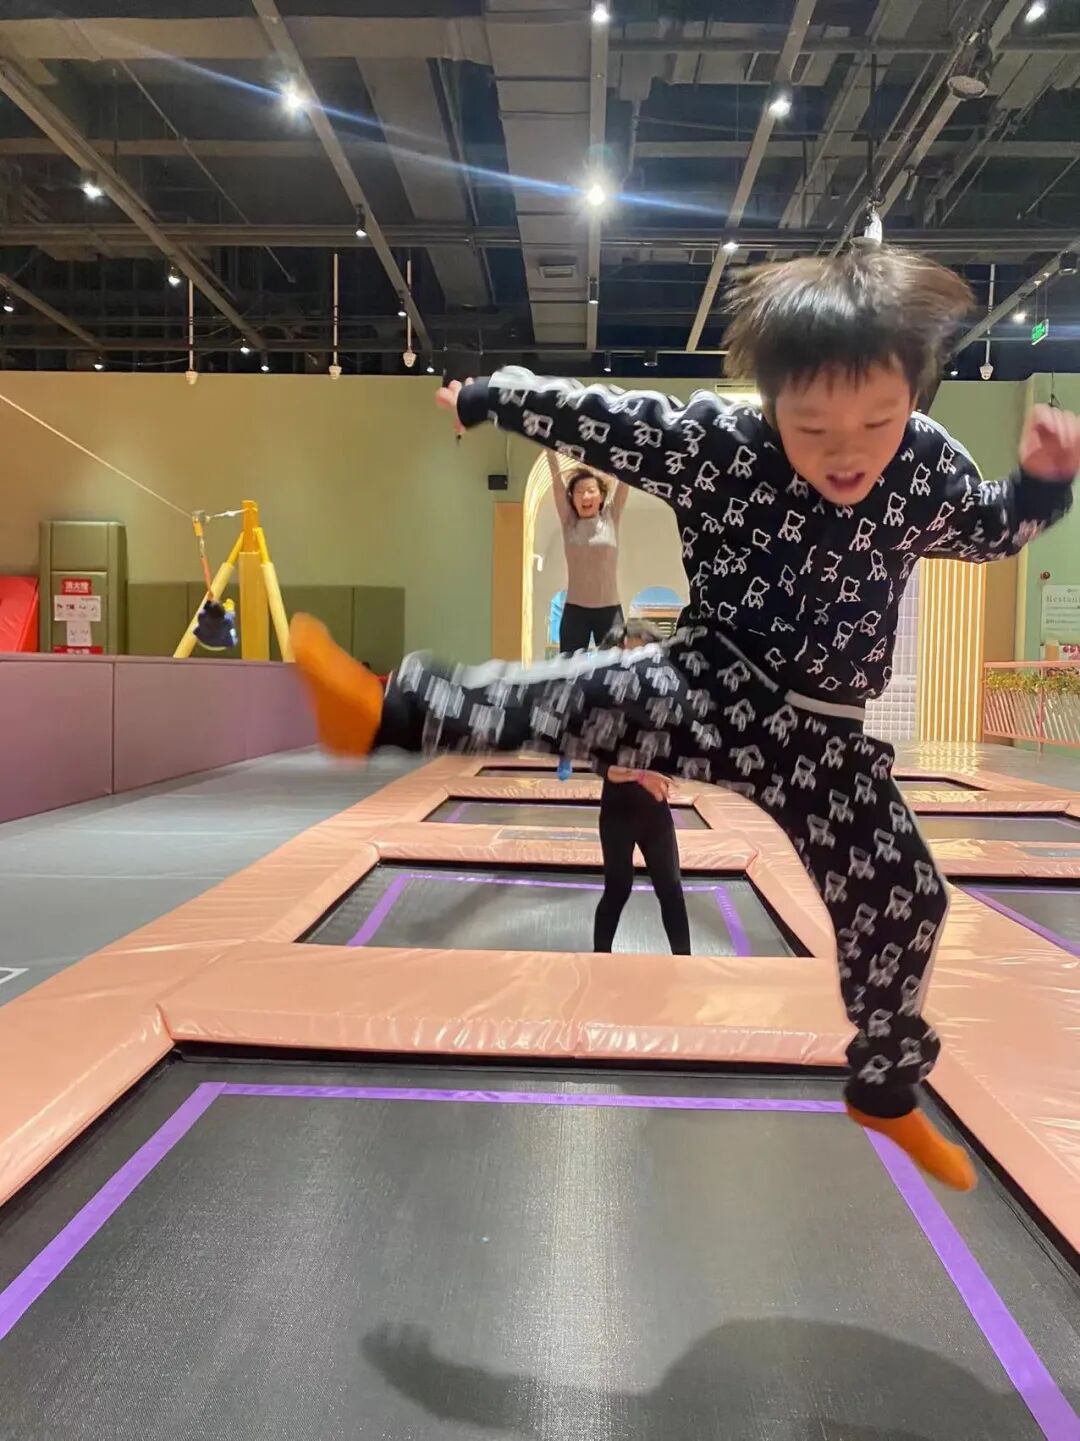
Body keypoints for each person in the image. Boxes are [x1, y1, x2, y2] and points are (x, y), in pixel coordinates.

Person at [291, 242, 1080, 1192]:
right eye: (813, 425)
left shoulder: (922, 467)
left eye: (877, 420)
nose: (847, 452)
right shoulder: (721, 447)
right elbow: (608, 418)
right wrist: (493, 396)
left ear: (913, 397)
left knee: (910, 893)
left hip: (826, 732)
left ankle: (884, 1083)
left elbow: (991, 528)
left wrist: (1042, 485)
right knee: (577, 699)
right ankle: (384, 708)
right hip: (715, 682)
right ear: (774, 402)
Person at [592, 620, 691, 957]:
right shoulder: (604, 709)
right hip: (618, 815)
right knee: (618, 889)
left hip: (655, 816)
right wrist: (641, 776)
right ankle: (600, 959)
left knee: (671, 891)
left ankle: (686, 963)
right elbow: (605, 768)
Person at [547, 452, 628, 656]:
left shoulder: (611, 518)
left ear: (601, 497)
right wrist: (550, 452)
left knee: (615, 668)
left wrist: (626, 451)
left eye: (591, 491)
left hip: (610, 611)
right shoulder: (569, 523)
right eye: (579, 492)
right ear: (572, 499)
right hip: (576, 611)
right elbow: (556, 483)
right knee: (569, 669)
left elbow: (626, 481)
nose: (585, 496)